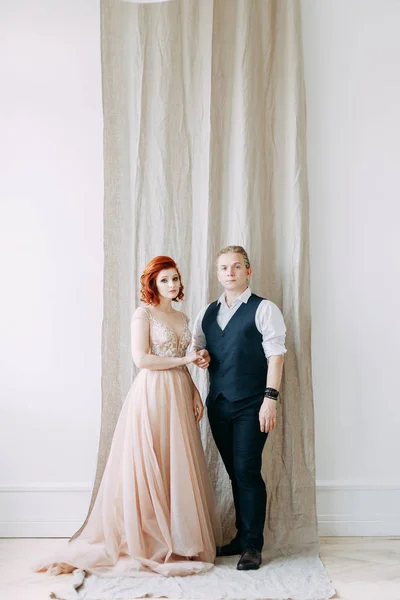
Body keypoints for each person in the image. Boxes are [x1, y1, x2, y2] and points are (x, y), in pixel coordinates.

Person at [36, 256, 221, 577]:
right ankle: (148, 539)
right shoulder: (144, 314)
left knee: (174, 462)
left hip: (178, 391)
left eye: (175, 278)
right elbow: (142, 358)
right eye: (164, 280)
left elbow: (181, 358)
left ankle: (178, 538)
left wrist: (192, 388)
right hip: (152, 393)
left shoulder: (181, 316)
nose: (172, 284)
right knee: (150, 462)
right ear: (152, 283)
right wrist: (187, 360)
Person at [191, 246, 286, 571]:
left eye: (235, 267)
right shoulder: (207, 312)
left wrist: (269, 399)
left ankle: (252, 546)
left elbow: (276, 356)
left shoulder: (264, 309)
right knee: (235, 473)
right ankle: (240, 537)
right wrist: (202, 357)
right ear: (217, 274)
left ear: (248, 271)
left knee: (247, 471)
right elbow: (200, 349)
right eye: (223, 268)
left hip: (252, 405)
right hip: (218, 405)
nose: (229, 273)